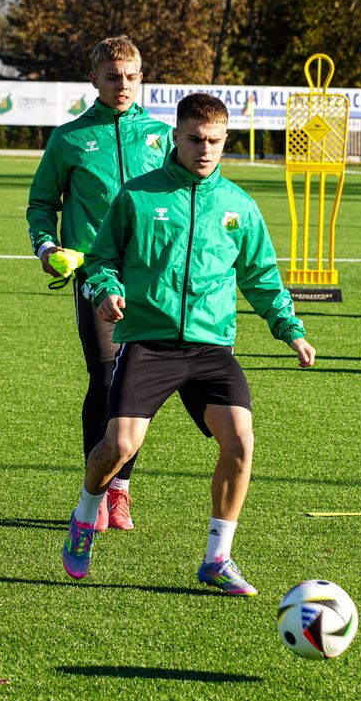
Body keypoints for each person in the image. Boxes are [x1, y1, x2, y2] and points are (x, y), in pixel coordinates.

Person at [61, 92, 315, 593]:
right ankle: (85, 513)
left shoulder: (238, 207)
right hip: (149, 345)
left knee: (240, 441)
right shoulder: (137, 196)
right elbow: (102, 259)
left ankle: (217, 558)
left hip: (210, 349)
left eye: (215, 141)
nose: (205, 149)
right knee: (119, 447)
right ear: (175, 137)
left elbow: (261, 276)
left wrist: (291, 329)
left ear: (226, 142)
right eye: (195, 139)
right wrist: (110, 291)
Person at [26, 36, 173, 532]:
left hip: (152, 279)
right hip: (94, 276)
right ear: (94, 79)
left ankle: (121, 491)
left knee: (137, 387)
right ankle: (99, 488)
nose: (124, 85)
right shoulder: (67, 139)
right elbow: (41, 205)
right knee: (106, 376)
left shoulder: (161, 136)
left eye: (132, 76)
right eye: (113, 77)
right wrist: (47, 248)